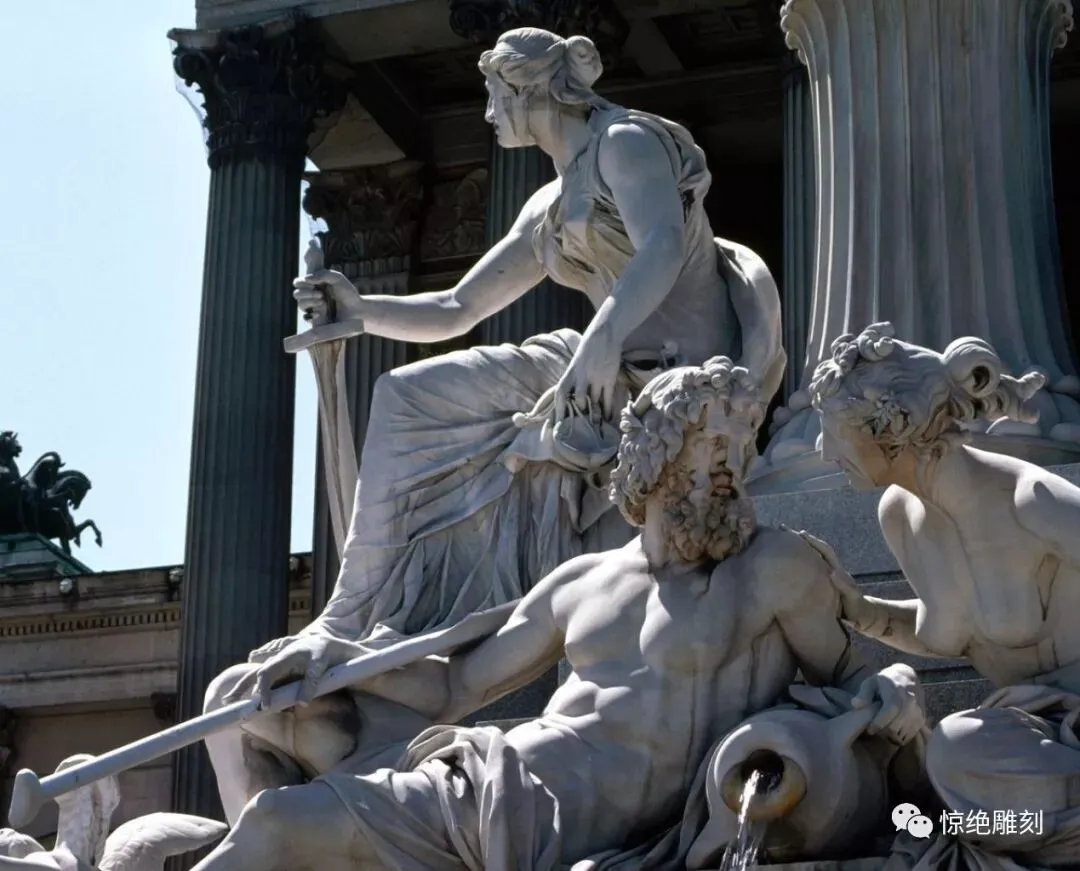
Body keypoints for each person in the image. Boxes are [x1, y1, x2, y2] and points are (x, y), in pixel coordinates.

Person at [195, 357, 921, 871]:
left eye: (742, 442)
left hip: (559, 827)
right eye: (713, 443)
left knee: (279, 826)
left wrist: (895, 685)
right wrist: (343, 663)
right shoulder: (581, 581)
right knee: (267, 780)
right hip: (494, 783)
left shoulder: (773, 567)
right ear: (658, 456)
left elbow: (852, 675)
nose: (735, 465)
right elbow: (456, 687)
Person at [278, 26, 785, 650]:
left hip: (679, 384)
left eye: (494, 95)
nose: (489, 113)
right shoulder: (550, 203)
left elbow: (662, 246)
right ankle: (348, 613)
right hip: (599, 371)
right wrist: (359, 310)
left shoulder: (625, 142)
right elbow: (457, 307)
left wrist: (600, 341)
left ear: (528, 91)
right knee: (403, 394)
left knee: (541, 392)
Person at [801, 321, 1080, 866]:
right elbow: (952, 629)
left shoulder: (1032, 501)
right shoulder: (900, 516)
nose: (823, 449)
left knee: (955, 757)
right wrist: (863, 612)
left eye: (834, 429)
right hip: (1026, 739)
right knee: (956, 750)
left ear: (893, 424)